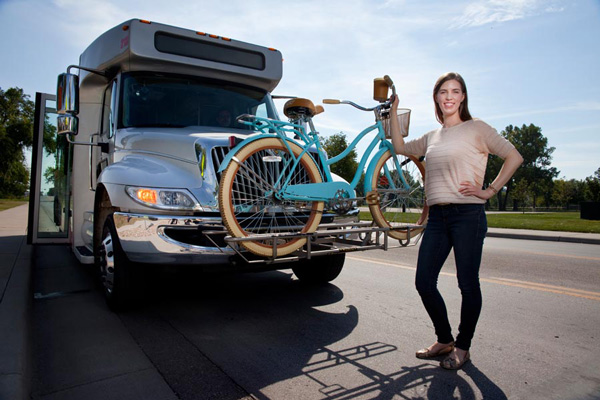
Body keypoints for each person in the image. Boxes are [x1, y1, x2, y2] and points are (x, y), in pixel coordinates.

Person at [389, 72, 523, 370]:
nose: (449, 96)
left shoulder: (477, 129)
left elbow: (514, 157)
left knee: (467, 284)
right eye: (443, 91)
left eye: (455, 91)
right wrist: (395, 111)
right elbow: (400, 148)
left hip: (468, 215)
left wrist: (490, 190)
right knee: (424, 281)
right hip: (437, 217)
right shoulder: (432, 137)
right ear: (436, 98)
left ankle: (462, 347)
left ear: (463, 97)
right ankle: (445, 339)